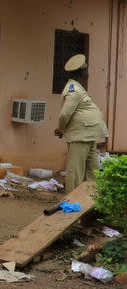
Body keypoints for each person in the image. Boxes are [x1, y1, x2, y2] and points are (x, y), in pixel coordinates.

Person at [54, 54, 108, 191]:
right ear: (82, 72)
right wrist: (61, 129)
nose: (88, 72)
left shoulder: (78, 87)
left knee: (93, 171)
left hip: (88, 135)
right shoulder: (73, 89)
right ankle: (72, 201)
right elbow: (65, 113)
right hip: (80, 135)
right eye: (86, 69)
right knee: (75, 171)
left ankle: (91, 202)